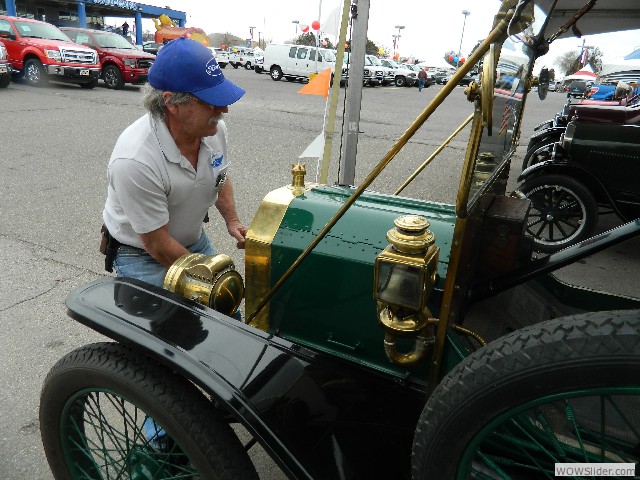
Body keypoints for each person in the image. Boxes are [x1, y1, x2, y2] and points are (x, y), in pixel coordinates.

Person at [101, 37, 247, 288]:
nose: (223, 110)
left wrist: (232, 220)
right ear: (171, 102)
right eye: (211, 102)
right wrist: (208, 282)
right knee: (173, 323)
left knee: (225, 318)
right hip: (143, 254)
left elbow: (219, 176)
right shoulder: (135, 160)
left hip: (193, 240)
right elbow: (156, 243)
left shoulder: (214, 131)